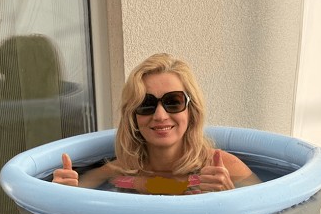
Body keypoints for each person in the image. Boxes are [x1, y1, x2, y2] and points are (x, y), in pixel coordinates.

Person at [53, 53, 259, 194]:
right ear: (133, 116)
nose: (160, 115)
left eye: (173, 102)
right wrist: (60, 191)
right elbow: (74, 199)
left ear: (192, 110)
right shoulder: (120, 170)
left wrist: (229, 197)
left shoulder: (225, 167)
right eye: (146, 104)